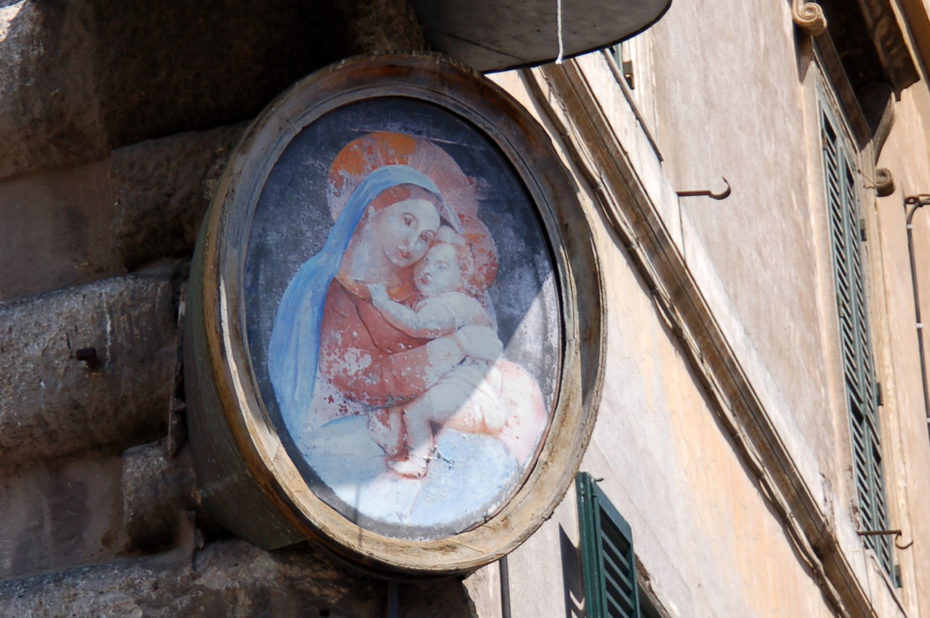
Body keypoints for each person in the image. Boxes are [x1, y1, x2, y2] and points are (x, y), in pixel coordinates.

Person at [367, 226, 506, 477]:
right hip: (454, 380)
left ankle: (418, 461)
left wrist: (381, 301)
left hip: (471, 388)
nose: (428, 270)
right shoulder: (441, 302)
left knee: (417, 409)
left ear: (461, 279)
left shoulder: (455, 304)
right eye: (427, 261)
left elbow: (418, 326)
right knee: (405, 403)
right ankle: (394, 443)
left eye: (442, 267)